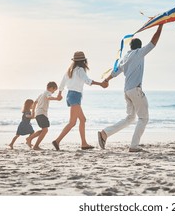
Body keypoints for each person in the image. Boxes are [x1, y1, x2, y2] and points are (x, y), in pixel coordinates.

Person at [98, 24, 163, 152]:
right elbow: (153, 42)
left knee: (130, 118)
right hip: (135, 90)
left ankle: (104, 133)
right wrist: (160, 25)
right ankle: (133, 146)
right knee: (143, 118)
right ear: (139, 47)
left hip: (127, 91)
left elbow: (115, 72)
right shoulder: (139, 53)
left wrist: (106, 80)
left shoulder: (125, 57)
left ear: (130, 46)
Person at [52, 51, 106, 151]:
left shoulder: (70, 70)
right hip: (75, 95)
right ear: (83, 61)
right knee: (72, 122)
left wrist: (59, 94)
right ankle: (57, 141)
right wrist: (101, 84)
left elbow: (62, 83)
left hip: (70, 95)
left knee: (82, 120)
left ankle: (84, 143)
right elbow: (87, 80)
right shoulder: (80, 70)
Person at [27, 82, 61, 150]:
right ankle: (35, 145)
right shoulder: (48, 92)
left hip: (38, 114)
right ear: (51, 88)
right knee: (45, 130)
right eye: (54, 90)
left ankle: (29, 138)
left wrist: (33, 113)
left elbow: (35, 103)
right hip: (42, 113)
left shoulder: (41, 94)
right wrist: (57, 99)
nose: (53, 92)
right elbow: (49, 97)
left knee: (44, 130)